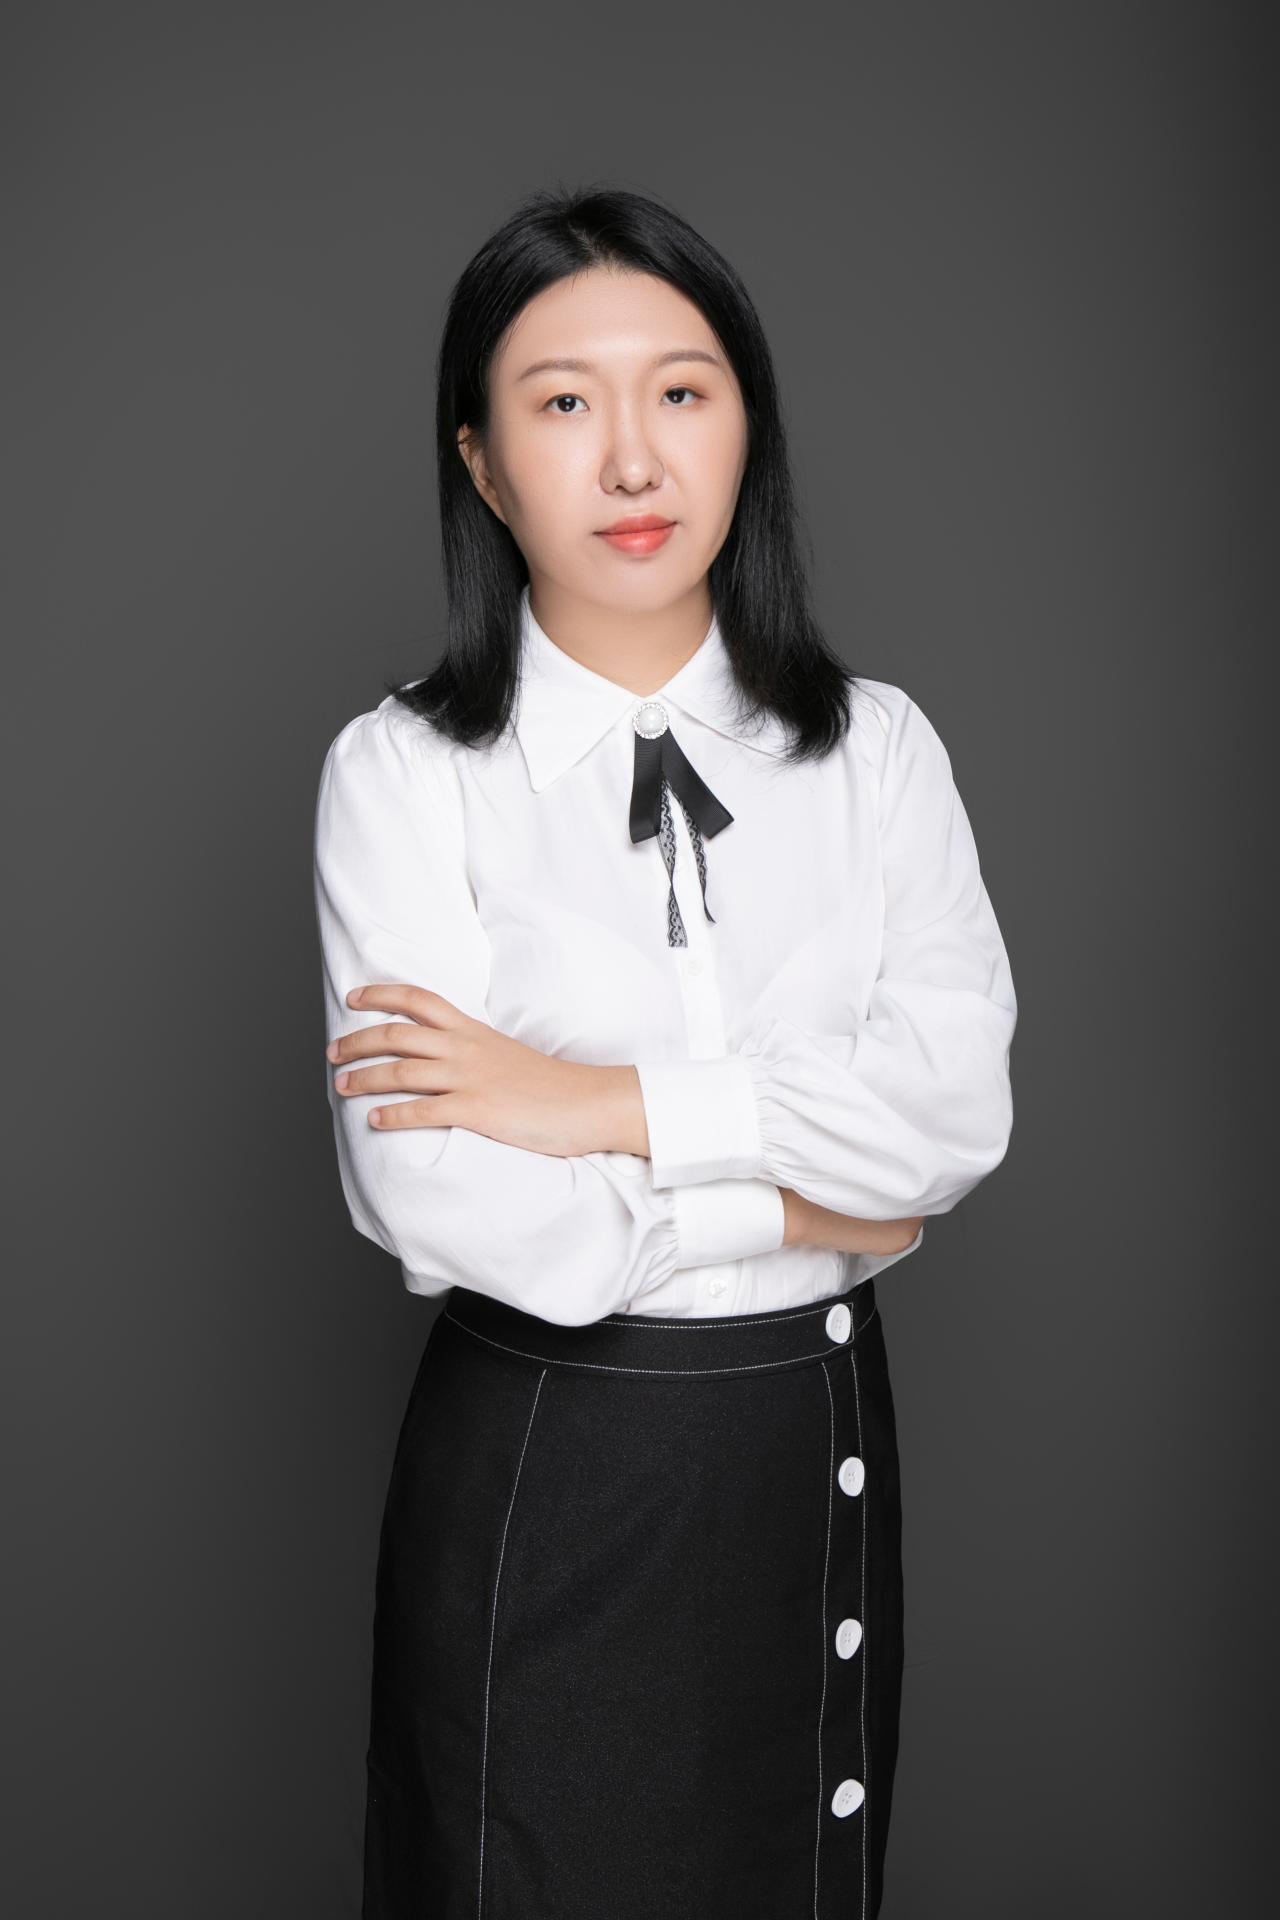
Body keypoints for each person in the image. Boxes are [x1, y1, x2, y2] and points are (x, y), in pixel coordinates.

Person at [312, 184, 1017, 1920]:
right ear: (483, 464)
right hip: (553, 1469)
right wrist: (799, 1204)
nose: (633, 458)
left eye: (682, 392)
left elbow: (949, 1116)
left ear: (746, 425)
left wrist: (591, 1106)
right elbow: (432, 1193)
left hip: (810, 1447)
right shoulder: (404, 776)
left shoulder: (878, 755)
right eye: (563, 401)